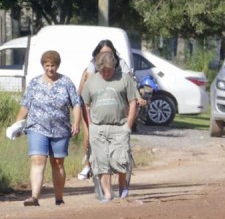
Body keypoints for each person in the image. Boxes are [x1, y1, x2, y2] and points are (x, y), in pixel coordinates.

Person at [12, 50, 82, 206]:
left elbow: (76, 104)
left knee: (57, 162)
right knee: (37, 159)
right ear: (43, 65)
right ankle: (34, 197)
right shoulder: (35, 83)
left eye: (53, 65)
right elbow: (25, 106)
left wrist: (76, 123)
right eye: (47, 65)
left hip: (61, 129)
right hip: (37, 127)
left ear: (58, 65)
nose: (50, 69)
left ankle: (59, 197)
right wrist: (17, 125)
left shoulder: (66, 82)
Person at [80, 48, 140, 202]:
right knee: (101, 162)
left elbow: (133, 102)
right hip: (98, 128)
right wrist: (91, 124)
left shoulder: (125, 79)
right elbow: (85, 104)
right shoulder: (91, 81)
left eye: (109, 70)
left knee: (121, 161)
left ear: (114, 67)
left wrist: (128, 125)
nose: (106, 73)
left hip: (119, 127)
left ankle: (122, 190)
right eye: (102, 70)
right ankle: (107, 194)